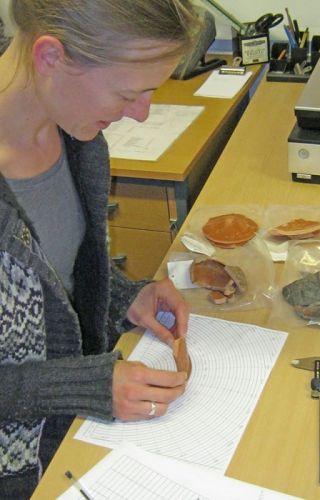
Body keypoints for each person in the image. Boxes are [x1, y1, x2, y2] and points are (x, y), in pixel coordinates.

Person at [0, 0, 199, 497]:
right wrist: (83, 385)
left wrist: (119, 296)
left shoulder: (76, 133)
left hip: (72, 441)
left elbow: (54, 280)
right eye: (128, 93)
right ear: (51, 57)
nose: (142, 113)